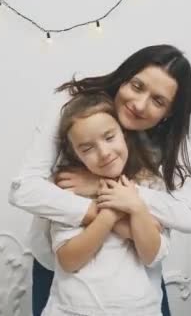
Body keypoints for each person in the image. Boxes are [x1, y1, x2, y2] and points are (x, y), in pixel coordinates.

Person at [9, 45, 191, 316]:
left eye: (158, 101)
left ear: (168, 114)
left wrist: (108, 189)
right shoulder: (74, 107)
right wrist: (102, 212)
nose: (139, 104)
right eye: (137, 86)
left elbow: (187, 216)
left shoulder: (164, 141)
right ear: (124, 77)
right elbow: (23, 189)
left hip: (134, 278)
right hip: (64, 268)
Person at [42, 92, 169, 315]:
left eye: (109, 137)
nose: (104, 153)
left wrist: (136, 206)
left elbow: (151, 254)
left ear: (124, 134)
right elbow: (69, 260)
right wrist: (108, 215)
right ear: (76, 154)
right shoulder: (69, 189)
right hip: (75, 309)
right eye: (87, 148)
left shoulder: (149, 185)